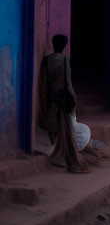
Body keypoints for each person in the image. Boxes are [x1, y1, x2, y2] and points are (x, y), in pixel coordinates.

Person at [37, 35, 90, 174]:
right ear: (64, 46)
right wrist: (73, 102)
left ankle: (56, 155)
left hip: (51, 99)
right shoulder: (65, 60)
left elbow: (43, 83)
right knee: (66, 132)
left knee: (53, 129)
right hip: (62, 100)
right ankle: (67, 160)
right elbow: (68, 83)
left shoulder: (46, 60)